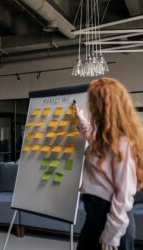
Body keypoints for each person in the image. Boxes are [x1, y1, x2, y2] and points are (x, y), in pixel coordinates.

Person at [75, 77, 143, 250]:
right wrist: (80, 118)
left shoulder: (123, 143)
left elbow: (124, 193)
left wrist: (112, 233)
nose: (92, 107)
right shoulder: (103, 138)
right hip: (93, 217)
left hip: (111, 220)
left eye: (94, 103)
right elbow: (90, 133)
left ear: (106, 107)